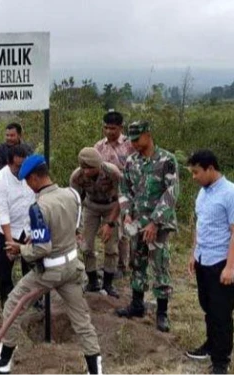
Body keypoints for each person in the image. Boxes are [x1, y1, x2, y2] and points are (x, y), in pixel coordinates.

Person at [0, 155, 103, 375]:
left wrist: (21, 250)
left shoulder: (38, 207)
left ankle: (4, 360)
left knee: (12, 305)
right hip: (72, 267)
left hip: (49, 271)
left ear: (36, 178)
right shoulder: (71, 195)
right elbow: (73, 229)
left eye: (27, 180)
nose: (27, 185)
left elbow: (42, 249)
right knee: (82, 321)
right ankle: (96, 371)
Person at [115, 121, 179, 333]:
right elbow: (124, 189)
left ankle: (162, 312)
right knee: (137, 262)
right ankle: (137, 304)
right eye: (131, 139)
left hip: (158, 224)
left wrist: (154, 222)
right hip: (136, 223)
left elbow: (171, 194)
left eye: (136, 139)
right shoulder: (131, 161)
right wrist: (125, 214)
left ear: (148, 135)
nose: (133, 144)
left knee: (159, 265)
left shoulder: (166, 160)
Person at [184, 150, 234, 375]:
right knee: (207, 307)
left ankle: (221, 361)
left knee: (221, 313)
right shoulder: (203, 193)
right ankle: (211, 345)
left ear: (210, 169)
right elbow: (200, 224)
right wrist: (194, 253)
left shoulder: (230, 193)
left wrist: (230, 267)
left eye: (196, 172)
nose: (194, 177)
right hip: (203, 259)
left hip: (221, 261)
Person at [70, 148, 122, 298]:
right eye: (83, 167)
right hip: (91, 207)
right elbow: (75, 202)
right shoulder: (76, 177)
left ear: (99, 165)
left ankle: (108, 283)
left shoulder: (112, 173)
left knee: (111, 246)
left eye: (90, 168)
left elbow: (122, 198)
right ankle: (92, 281)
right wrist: (76, 228)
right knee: (86, 245)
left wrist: (110, 223)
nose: (86, 172)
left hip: (112, 207)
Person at [0, 144, 35, 307]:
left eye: (24, 165)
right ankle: (7, 301)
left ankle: (33, 299)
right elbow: (3, 214)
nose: (22, 170)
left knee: (31, 265)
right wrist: (10, 244)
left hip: (28, 226)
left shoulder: (31, 175)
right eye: (18, 166)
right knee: (4, 269)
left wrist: (34, 229)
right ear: (9, 163)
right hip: (6, 229)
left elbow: (36, 202)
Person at [94, 111, 135, 278]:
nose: (109, 131)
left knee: (124, 232)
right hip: (105, 194)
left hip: (125, 192)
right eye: (106, 128)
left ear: (120, 127)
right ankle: (110, 265)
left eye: (113, 128)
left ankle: (122, 265)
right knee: (111, 231)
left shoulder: (129, 145)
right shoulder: (99, 146)